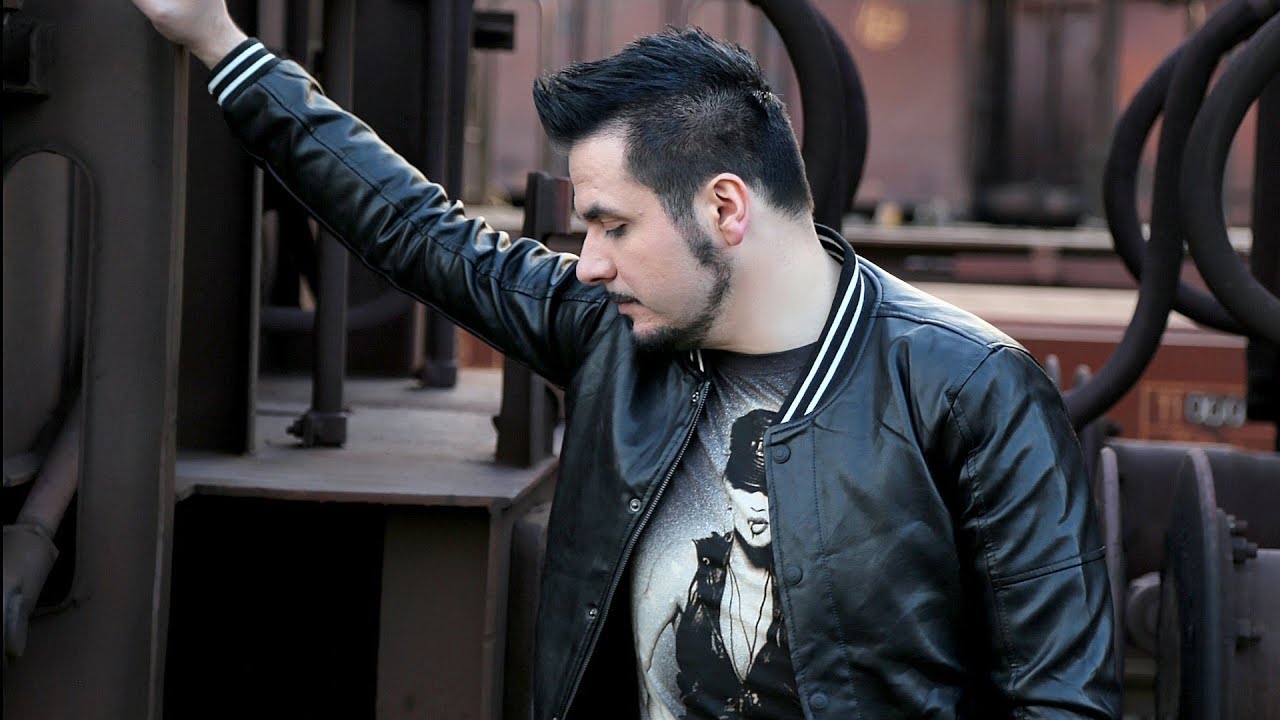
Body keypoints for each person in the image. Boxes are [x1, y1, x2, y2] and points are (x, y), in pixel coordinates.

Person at [129, 2, 1121, 718]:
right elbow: (423, 234)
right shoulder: (615, 334)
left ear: (724, 208)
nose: (588, 262)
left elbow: (1060, 700)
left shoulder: (971, 390)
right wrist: (221, 44)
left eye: (612, 225)